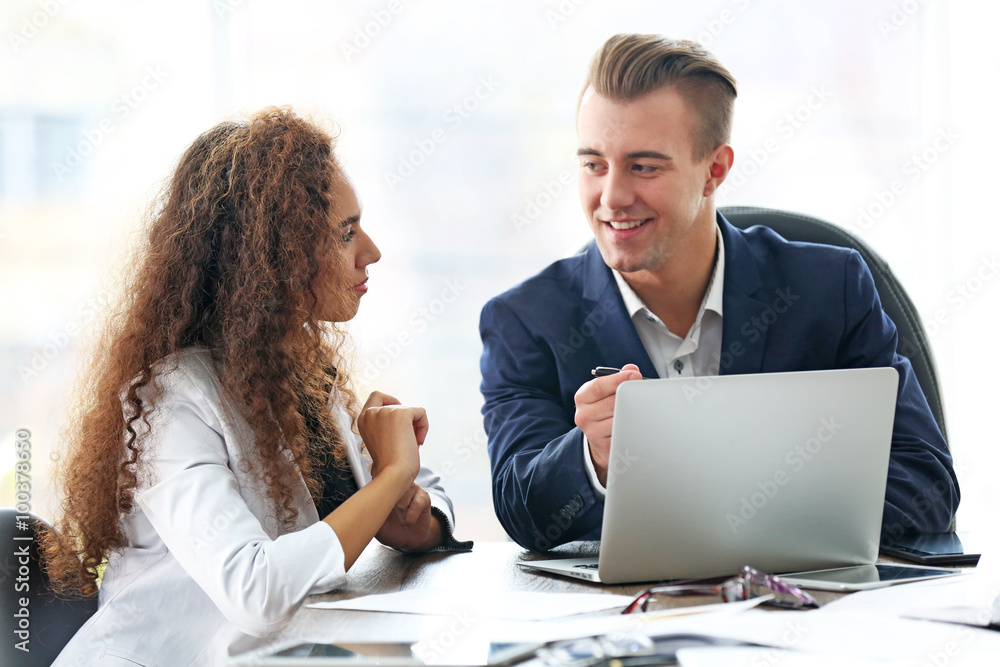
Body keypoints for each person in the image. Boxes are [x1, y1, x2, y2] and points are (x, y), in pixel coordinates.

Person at [479, 33, 959, 551]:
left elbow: (928, 491)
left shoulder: (830, 289)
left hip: (807, 610)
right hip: (626, 622)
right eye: (594, 164)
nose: (612, 196)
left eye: (644, 166)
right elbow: (520, 511)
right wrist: (591, 457)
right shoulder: (525, 319)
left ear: (715, 170)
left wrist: (741, 516)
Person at [44, 107, 470, 665]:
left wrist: (415, 518)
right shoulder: (171, 400)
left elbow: (428, 497)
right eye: (345, 233)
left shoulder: (300, 369)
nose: (372, 251)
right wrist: (388, 479)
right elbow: (254, 591)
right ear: (274, 257)